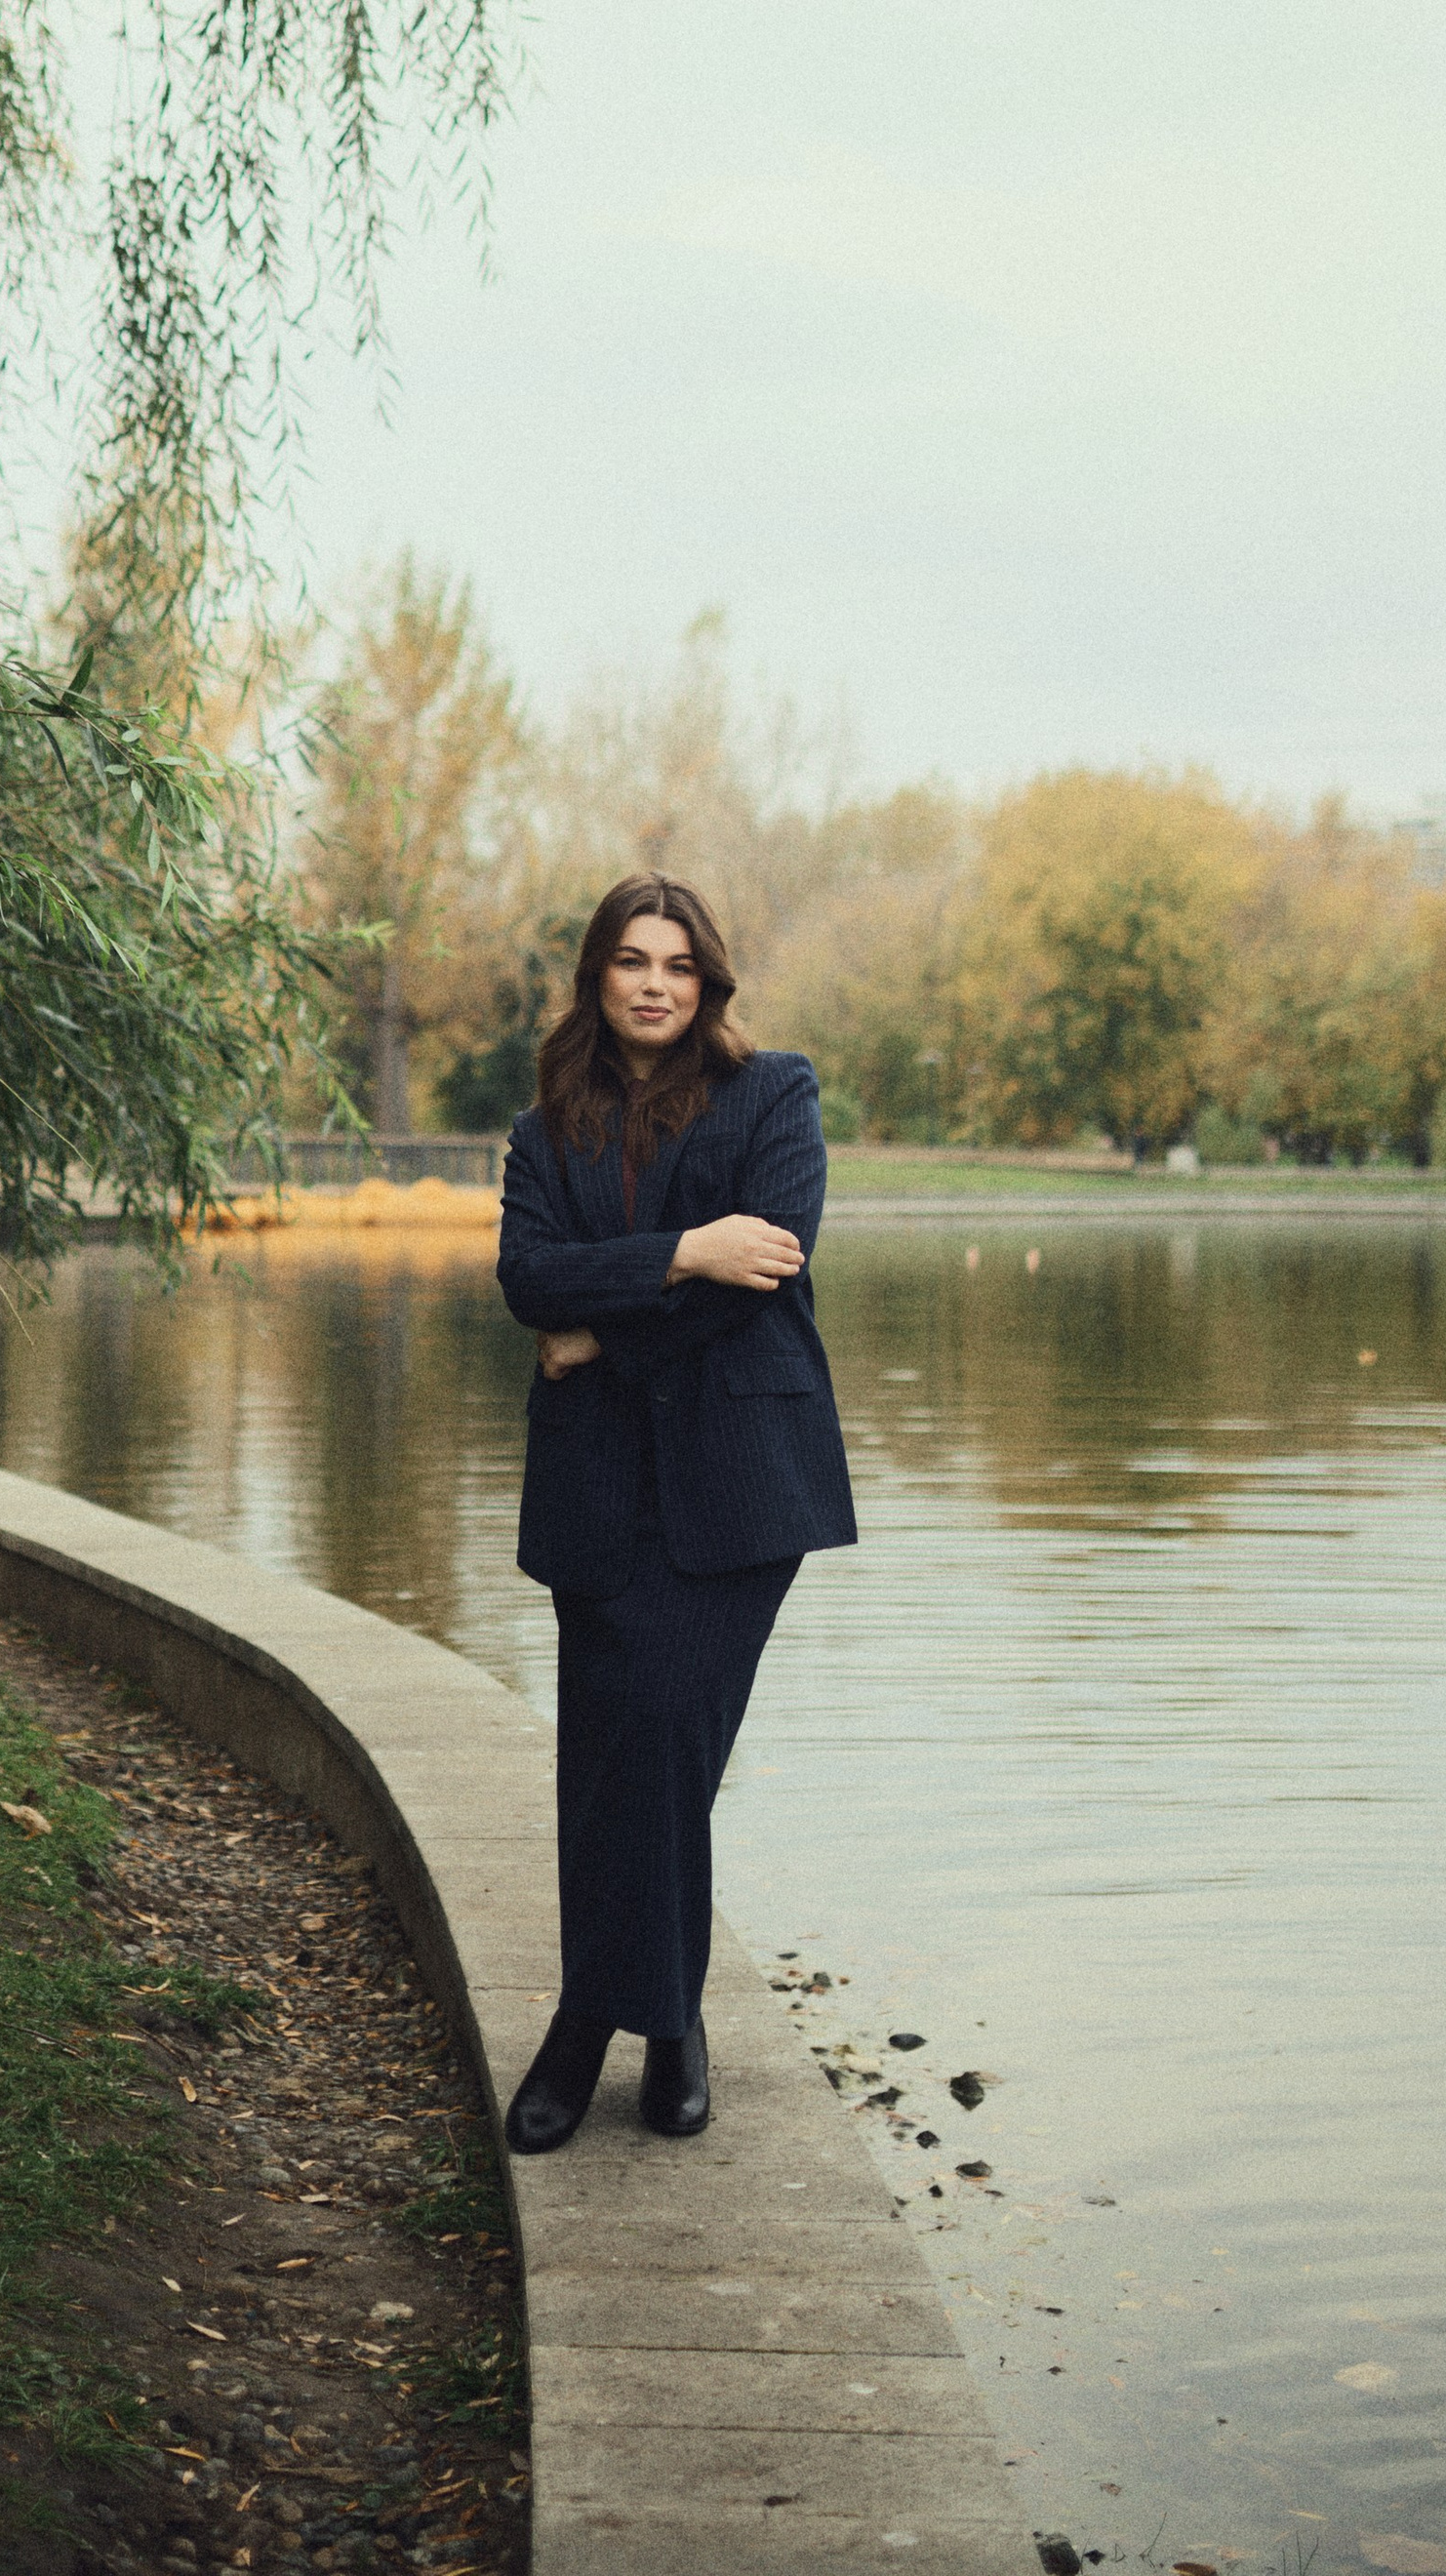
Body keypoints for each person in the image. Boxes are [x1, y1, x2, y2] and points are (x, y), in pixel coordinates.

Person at [495, 871, 856, 2153]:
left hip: (740, 1488)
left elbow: (771, 1259)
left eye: (679, 964)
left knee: (659, 1735)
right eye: (631, 960)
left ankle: (589, 2028)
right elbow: (528, 1277)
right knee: (608, 1761)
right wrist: (677, 1254)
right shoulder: (548, 1132)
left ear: (708, 982)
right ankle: (668, 2024)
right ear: (598, 976)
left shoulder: (776, 1093)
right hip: (595, 1492)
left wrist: (606, 1327)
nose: (655, 981)